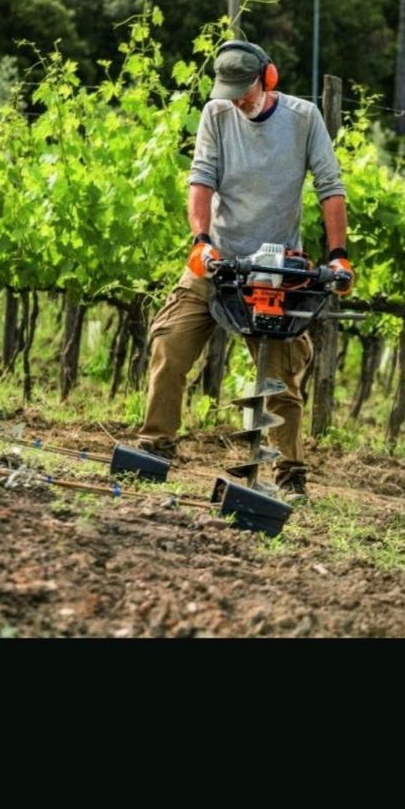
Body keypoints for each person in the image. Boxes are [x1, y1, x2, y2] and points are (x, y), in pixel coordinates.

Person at [136, 40, 353, 504]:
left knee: (279, 377)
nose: (238, 99)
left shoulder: (303, 119)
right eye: (230, 90)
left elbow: (330, 187)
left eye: (245, 90)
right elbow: (201, 178)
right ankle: (155, 446)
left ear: (267, 79)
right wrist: (202, 243)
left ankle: (289, 474)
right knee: (169, 343)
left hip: (274, 270)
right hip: (219, 262)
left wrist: (338, 255)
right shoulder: (216, 114)